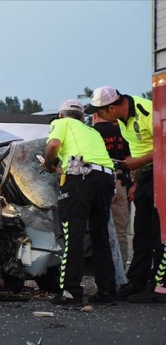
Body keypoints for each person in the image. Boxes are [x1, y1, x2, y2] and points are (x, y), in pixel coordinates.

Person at [85, 86, 165, 303]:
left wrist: (138, 162)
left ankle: (159, 285)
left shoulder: (147, 111)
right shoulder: (120, 121)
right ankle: (137, 280)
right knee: (141, 231)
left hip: (162, 171)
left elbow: (164, 143)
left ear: (112, 108)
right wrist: (137, 181)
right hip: (146, 175)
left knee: (159, 232)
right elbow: (139, 149)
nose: (98, 115)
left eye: (100, 111)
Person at [44, 99, 117, 305]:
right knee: (100, 235)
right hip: (105, 177)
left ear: (61, 114)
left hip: (80, 174)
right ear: (83, 117)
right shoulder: (93, 132)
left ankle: (71, 291)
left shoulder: (62, 123)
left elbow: (53, 145)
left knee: (72, 234)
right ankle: (107, 291)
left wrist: (50, 164)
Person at [92, 113, 132, 265]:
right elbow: (130, 159)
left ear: (95, 115)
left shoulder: (90, 133)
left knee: (98, 229)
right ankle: (120, 268)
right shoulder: (122, 131)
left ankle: (101, 268)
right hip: (119, 181)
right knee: (121, 230)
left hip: (95, 182)